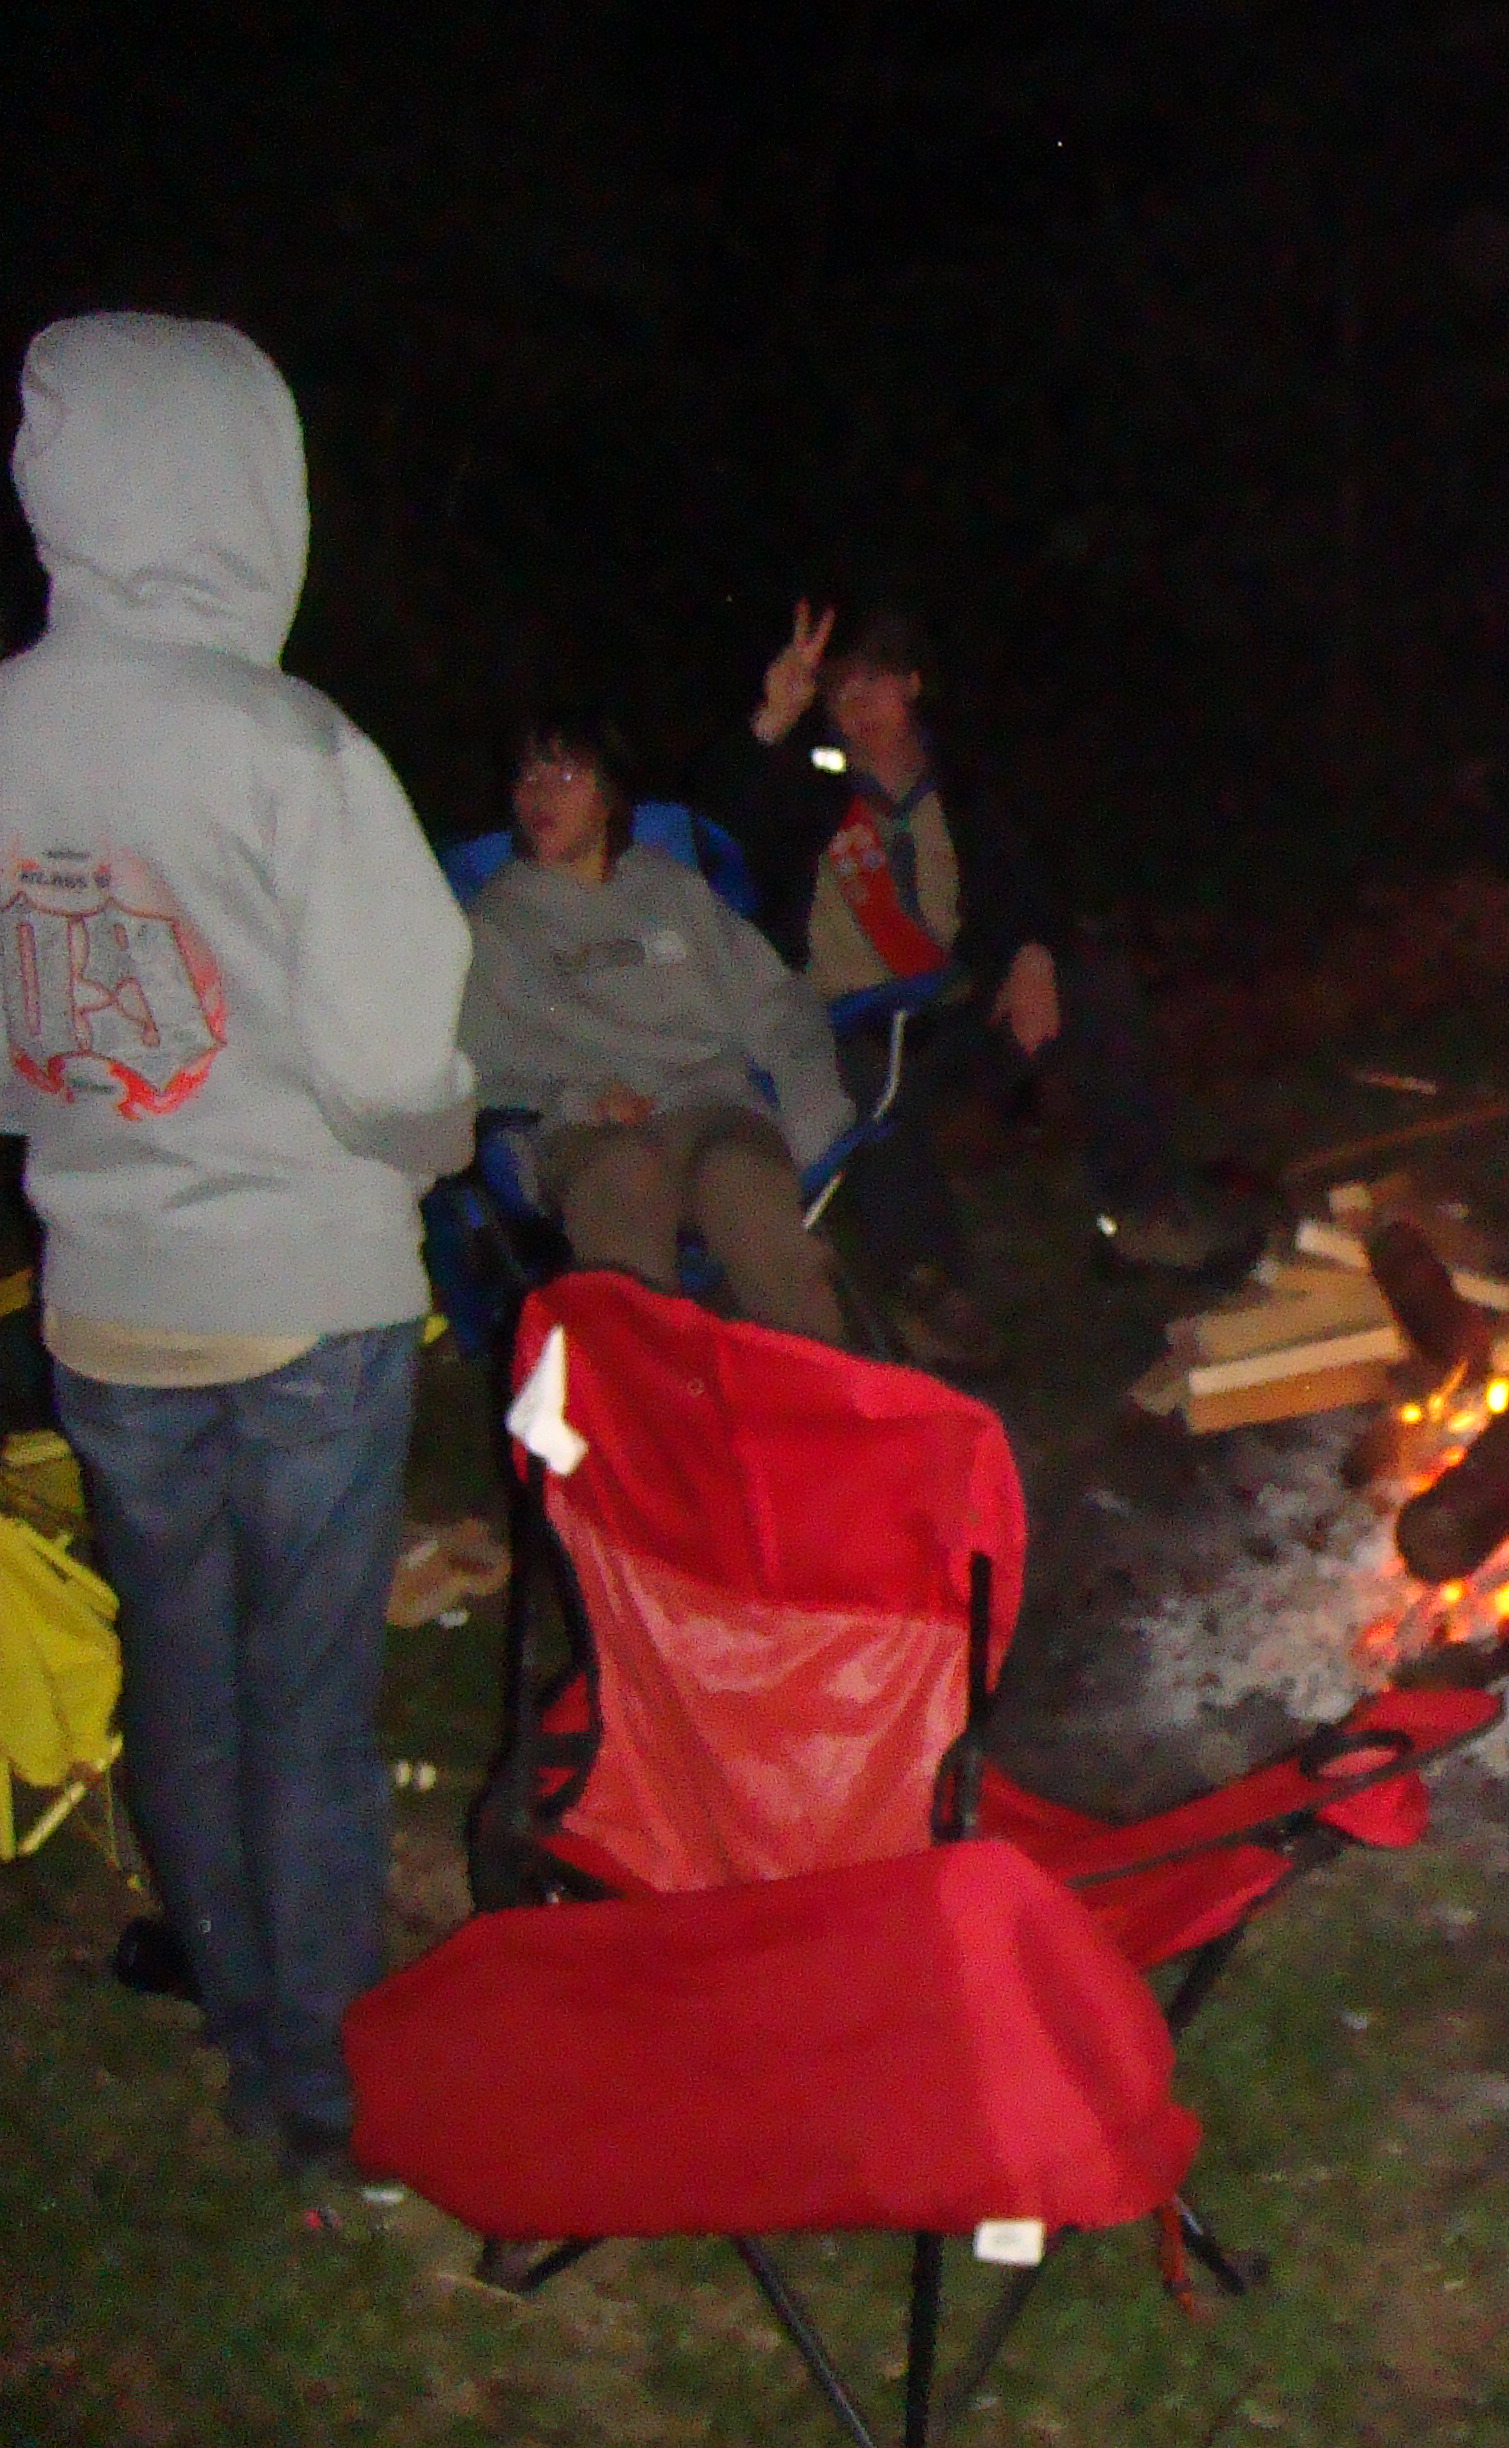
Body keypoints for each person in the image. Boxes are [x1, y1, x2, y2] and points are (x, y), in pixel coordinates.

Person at [0, 314, 477, 2180]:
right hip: (301, 1308)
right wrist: (437, 1139)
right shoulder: (288, 746)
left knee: (181, 1694)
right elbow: (395, 1064)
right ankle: (316, 2086)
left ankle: (240, 2006)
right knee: (307, 1711)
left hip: (108, 1309)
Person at [710, 602, 1213, 1367]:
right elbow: (722, 837)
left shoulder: (963, 782)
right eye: (839, 690)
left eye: (875, 682)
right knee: (865, 1074)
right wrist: (771, 723)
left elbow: (1028, 881)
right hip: (849, 1023)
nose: (858, 704)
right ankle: (928, 1287)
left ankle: (1141, 1217)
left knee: (1095, 985)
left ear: (913, 684)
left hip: (953, 1007)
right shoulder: (807, 787)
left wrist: (1033, 953)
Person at [458, 712, 854, 1347]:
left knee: (746, 1191)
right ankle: (648, 1399)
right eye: (528, 777)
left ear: (609, 795)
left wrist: (812, 1110)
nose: (540, 795)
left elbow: (777, 1003)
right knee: (625, 1184)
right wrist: (579, 1099)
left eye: (565, 775)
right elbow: (476, 1065)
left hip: (711, 1108)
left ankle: (818, 1392)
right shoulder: (495, 923)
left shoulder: (673, 890)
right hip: (590, 1129)